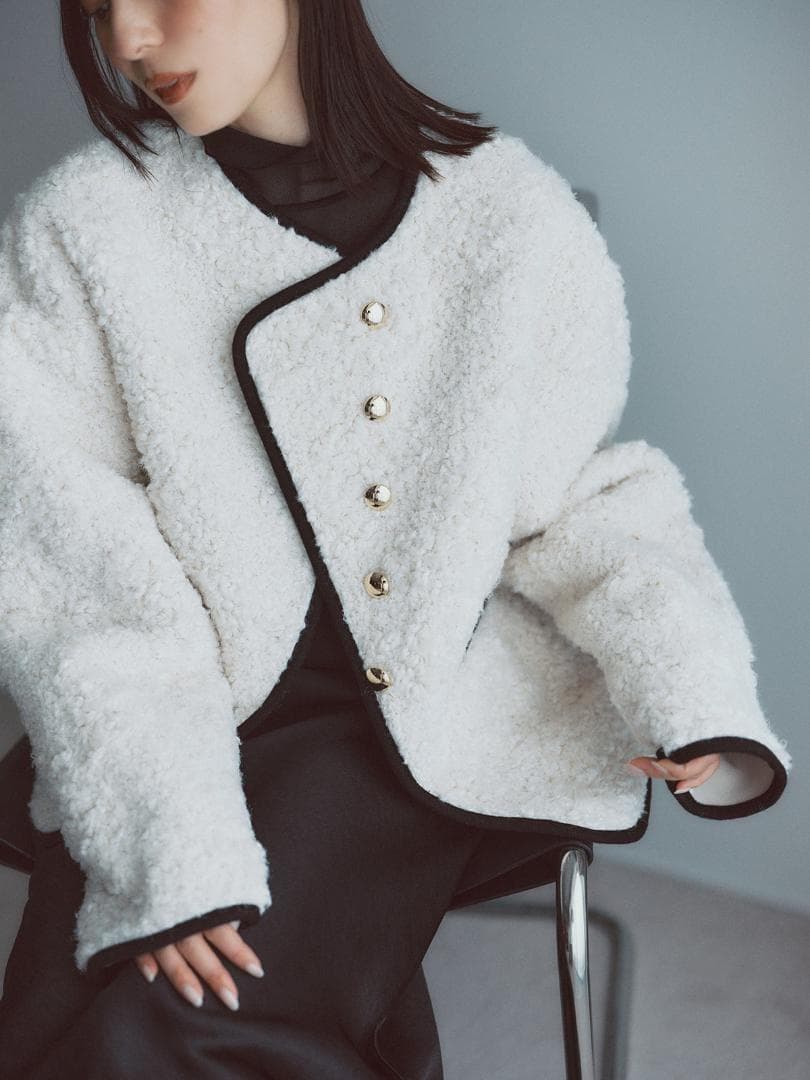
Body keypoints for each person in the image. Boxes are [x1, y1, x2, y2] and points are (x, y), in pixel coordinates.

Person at [0, 1, 791, 1077]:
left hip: (412, 709)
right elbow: (75, 569)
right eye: (98, 9)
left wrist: (693, 689)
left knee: (175, 1028)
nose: (130, 41)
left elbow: (582, 500)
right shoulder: (84, 226)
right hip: (168, 702)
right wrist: (163, 844)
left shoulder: (506, 213)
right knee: (66, 1022)